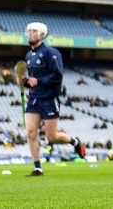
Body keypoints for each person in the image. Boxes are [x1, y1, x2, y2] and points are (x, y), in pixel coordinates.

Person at [21, 22, 86, 177]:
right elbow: (32, 81)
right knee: (30, 132)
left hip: (49, 99)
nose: (30, 34)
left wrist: (38, 81)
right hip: (34, 99)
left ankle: (75, 142)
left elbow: (57, 75)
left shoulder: (51, 52)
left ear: (42, 35)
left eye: (33, 31)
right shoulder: (29, 55)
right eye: (29, 31)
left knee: (52, 136)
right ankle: (38, 168)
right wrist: (25, 81)